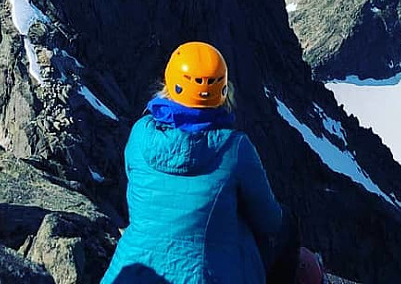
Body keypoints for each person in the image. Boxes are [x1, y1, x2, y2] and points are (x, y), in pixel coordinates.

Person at [101, 41, 292, 284]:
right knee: (286, 226)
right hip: (202, 276)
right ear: (223, 90)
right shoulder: (235, 147)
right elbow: (270, 221)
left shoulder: (140, 134)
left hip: (129, 273)